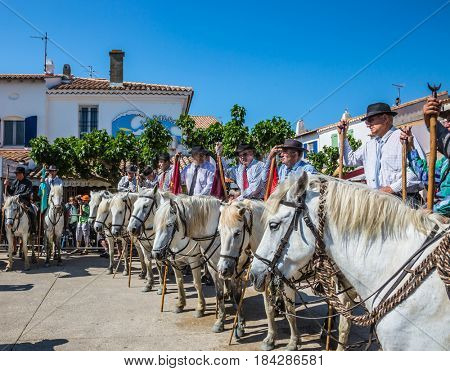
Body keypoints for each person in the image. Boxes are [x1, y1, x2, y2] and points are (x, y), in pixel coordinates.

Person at [338, 102, 426, 202]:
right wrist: (343, 136)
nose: (367, 124)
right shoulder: (369, 145)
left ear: (385, 119)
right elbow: (348, 160)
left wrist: (392, 188)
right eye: (366, 121)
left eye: (370, 120)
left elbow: (419, 171)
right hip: (378, 203)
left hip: (404, 201)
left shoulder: (404, 137)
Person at [401, 126, 449, 216]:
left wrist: (431, 210)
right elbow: (427, 177)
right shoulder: (446, 160)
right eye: (447, 120)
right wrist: (410, 146)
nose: (446, 125)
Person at [4, 166, 36, 234]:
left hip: (25, 202)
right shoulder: (14, 182)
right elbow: (11, 192)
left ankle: (33, 230)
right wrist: (7, 186)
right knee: (5, 211)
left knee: (32, 212)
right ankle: (5, 230)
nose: (17, 175)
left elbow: (29, 192)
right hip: (14, 202)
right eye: (16, 174)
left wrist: (20, 195)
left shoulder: (28, 182)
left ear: (23, 174)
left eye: (18, 173)